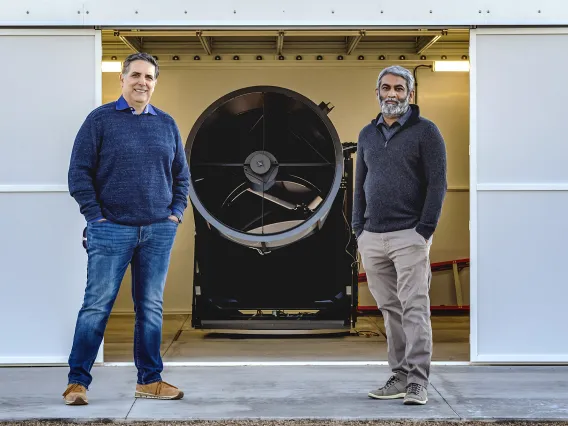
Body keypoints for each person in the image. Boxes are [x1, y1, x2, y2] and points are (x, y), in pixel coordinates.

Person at [63, 52, 190, 405]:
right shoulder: (100, 120)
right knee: (96, 305)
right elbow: (79, 173)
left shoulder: (166, 124)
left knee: (150, 306)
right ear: (122, 79)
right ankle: (78, 383)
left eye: (149, 77)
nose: (142, 83)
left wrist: (175, 214)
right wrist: (96, 216)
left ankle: (149, 380)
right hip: (111, 229)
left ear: (154, 83)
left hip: (157, 231)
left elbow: (182, 176)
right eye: (135, 75)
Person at [352, 65, 447, 405]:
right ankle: (400, 374)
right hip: (372, 236)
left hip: (410, 234)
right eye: (386, 88)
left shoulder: (426, 132)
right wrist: (357, 228)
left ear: (410, 94)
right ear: (377, 92)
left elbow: (438, 184)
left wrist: (425, 230)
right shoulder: (367, 134)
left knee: (414, 309)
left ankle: (419, 381)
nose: (392, 94)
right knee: (390, 310)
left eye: (399, 88)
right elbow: (361, 183)